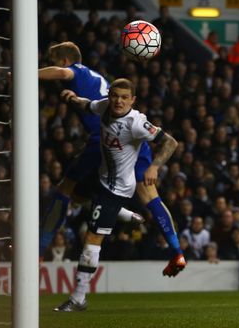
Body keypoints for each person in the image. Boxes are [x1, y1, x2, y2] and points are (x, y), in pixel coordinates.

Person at [38, 42, 186, 277]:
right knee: (148, 195)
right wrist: (73, 99)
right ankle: (177, 252)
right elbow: (90, 104)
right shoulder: (93, 77)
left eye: (51, 60)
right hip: (135, 142)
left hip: (104, 141)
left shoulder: (73, 70)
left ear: (65, 60)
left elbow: (61, 73)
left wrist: (25, 74)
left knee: (66, 190)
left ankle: (38, 251)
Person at [54, 78, 179, 311]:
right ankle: (124, 215)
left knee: (91, 239)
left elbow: (170, 143)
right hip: (100, 177)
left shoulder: (137, 123)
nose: (118, 101)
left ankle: (79, 298)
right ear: (109, 95)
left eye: (124, 97)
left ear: (133, 100)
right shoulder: (104, 106)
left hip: (116, 189)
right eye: (115, 96)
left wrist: (154, 167)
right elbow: (86, 104)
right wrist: (72, 98)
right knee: (75, 194)